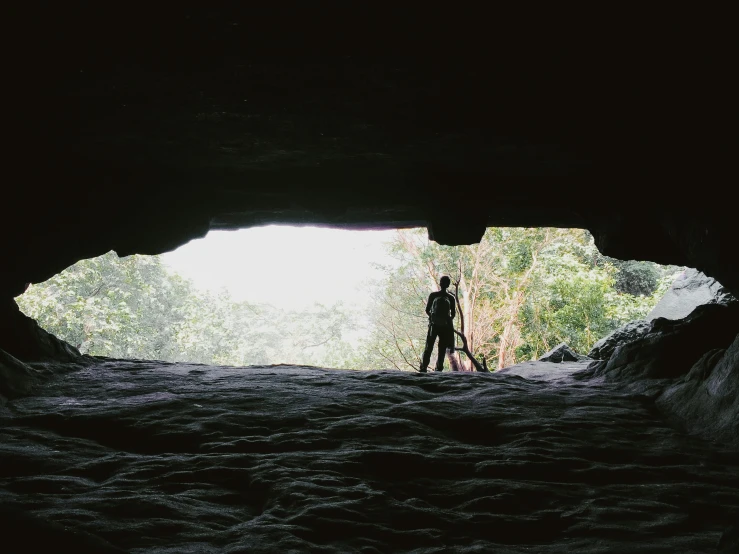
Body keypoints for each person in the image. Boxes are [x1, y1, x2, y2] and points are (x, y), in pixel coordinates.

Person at [419, 275, 456, 372]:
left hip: (444, 326)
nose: (444, 284)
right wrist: (433, 317)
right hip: (434, 325)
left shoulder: (451, 298)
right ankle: (424, 367)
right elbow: (427, 310)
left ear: (448, 284)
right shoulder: (433, 295)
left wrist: (447, 320)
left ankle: (439, 368)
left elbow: (453, 314)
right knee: (429, 346)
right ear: (440, 283)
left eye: (446, 282)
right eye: (442, 282)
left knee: (442, 348)